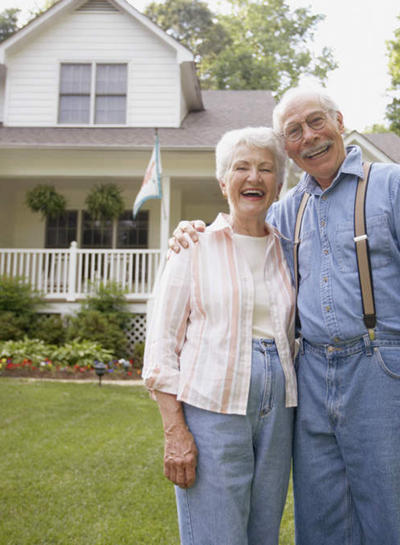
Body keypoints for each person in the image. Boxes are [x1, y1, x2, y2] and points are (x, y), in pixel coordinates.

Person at [170, 87, 400, 545]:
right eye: (293, 131)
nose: (308, 137)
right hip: (309, 377)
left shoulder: (395, 184)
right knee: (323, 525)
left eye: (315, 122)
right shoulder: (289, 210)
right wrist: (193, 231)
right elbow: (244, 233)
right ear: (287, 146)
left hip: (384, 369)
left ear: (340, 121)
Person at [143, 126, 297, 545]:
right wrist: (175, 431)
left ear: (278, 184)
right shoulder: (192, 245)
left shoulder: (286, 251)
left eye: (266, 169)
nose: (254, 177)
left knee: (262, 532)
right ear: (223, 180)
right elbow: (160, 347)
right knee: (217, 535)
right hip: (213, 404)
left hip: (279, 409)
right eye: (241, 167)